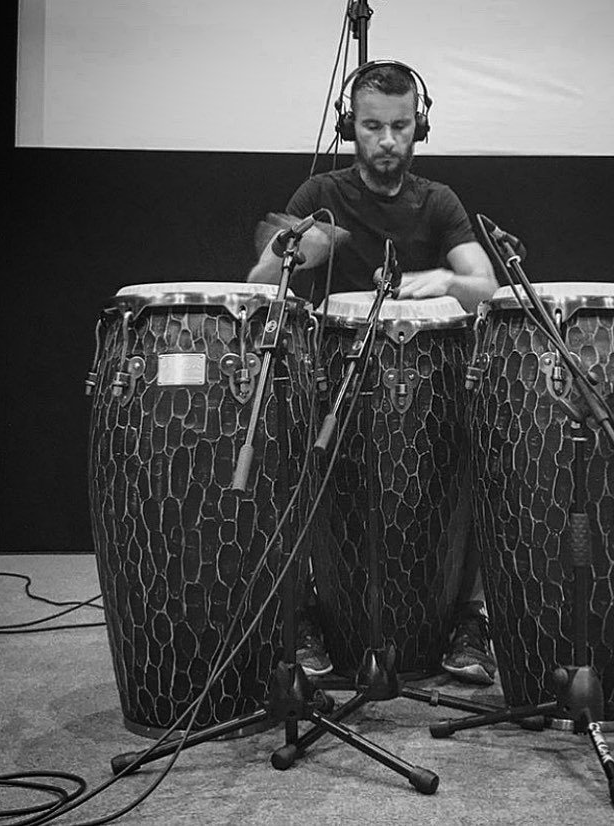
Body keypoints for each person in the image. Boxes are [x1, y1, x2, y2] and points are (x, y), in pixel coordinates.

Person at [248, 60, 498, 685]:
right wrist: (293, 251)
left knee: (475, 467)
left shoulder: (438, 201)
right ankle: (305, 615)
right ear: (349, 126)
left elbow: (486, 286)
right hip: (331, 376)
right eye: (372, 126)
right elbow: (259, 285)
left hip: (431, 380)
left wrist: (445, 278)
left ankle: (468, 621)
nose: (387, 141)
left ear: (420, 127)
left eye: (400, 126)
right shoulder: (320, 196)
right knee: (296, 466)